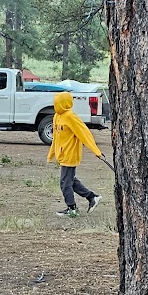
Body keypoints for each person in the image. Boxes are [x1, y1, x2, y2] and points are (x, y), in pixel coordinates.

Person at [47, 90, 104, 218]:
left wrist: (96, 151)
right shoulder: (57, 116)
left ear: (65, 103)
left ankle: (72, 208)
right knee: (71, 181)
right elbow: (56, 137)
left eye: (58, 103)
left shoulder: (71, 117)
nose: (56, 105)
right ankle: (92, 197)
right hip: (62, 155)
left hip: (70, 155)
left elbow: (85, 134)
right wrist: (51, 154)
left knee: (65, 183)